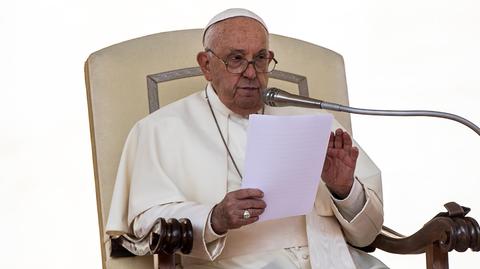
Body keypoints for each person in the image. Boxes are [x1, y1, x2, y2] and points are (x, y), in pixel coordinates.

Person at [106, 8, 387, 269]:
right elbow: (146, 223)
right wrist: (214, 217)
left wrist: (345, 190)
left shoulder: (308, 117)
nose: (251, 73)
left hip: (334, 258)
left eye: (260, 58)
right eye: (236, 59)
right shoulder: (159, 129)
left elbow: (367, 235)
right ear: (206, 64)